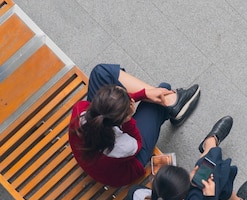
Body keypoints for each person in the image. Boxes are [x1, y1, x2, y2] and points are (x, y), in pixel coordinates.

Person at [68, 64, 200, 187]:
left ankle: (172, 103)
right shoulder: (123, 146)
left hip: (90, 153)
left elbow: (112, 109)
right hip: (123, 170)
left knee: (100, 72)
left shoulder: (80, 110)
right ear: (120, 120)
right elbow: (137, 143)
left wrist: (143, 94)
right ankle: (171, 104)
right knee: (158, 100)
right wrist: (128, 120)